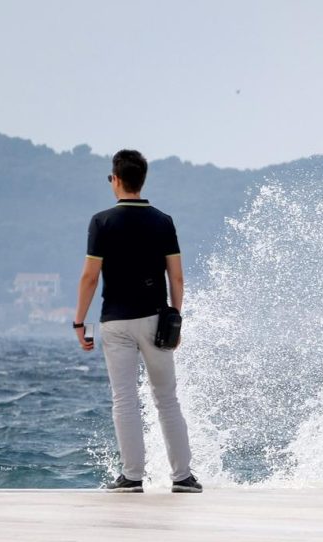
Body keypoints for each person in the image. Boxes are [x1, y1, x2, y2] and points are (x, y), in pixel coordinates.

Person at [72, 149, 202, 493]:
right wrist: (176, 316)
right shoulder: (163, 221)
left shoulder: (101, 221)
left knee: (124, 399)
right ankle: (183, 477)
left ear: (115, 180)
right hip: (156, 320)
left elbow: (89, 277)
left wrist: (78, 322)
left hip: (116, 323)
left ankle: (132, 477)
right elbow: (177, 278)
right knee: (167, 399)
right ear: (141, 180)